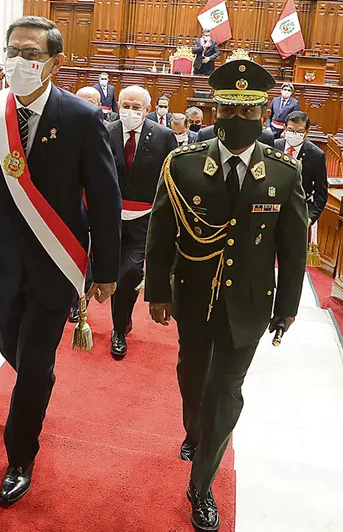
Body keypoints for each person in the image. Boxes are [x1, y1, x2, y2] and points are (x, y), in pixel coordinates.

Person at [0, 16, 121, 507]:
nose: (19, 62)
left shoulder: (82, 118)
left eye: (30, 53)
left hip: (57, 263)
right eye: (12, 51)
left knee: (32, 365)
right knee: (14, 349)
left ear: (54, 61)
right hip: (3, 263)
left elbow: (106, 200)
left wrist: (106, 271)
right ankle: (36, 386)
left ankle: (19, 455)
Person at [146, 56, 308, 532]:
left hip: (250, 304)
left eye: (248, 113)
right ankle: (194, 432)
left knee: (226, 392)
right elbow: (160, 235)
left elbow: (293, 248)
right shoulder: (184, 165)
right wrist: (157, 291)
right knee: (193, 377)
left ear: (264, 115)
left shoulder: (283, 174)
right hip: (194, 297)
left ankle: (201, 486)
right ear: (214, 112)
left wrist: (288, 307)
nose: (238, 122)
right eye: (228, 112)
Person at [107, 85, 175, 359]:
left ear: (147, 110)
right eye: (126, 105)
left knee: (130, 274)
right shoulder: (105, 131)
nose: (130, 111)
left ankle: (119, 328)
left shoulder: (164, 136)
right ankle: (120, 323)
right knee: (111, 273)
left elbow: (170, 180)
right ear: (117, 105)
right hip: (109, 217)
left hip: (144, 219)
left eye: (137, 107)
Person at [273, 110, 327, 226]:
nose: (294, 135)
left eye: (299, 132)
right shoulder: (273, 146)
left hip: (298, 212)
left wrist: (310, 218)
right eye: (291, 130)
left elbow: (321, 193)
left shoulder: (316, 155)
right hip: (272, 209)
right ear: (284, 127)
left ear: (307, 132)